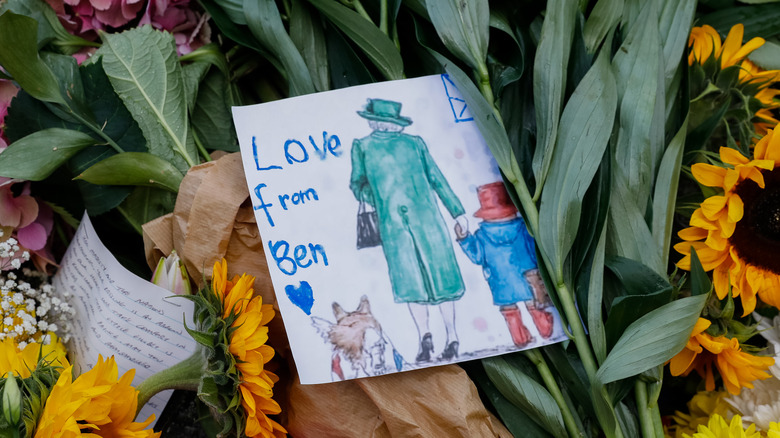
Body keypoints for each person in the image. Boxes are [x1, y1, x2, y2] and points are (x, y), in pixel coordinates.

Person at [350, 98, 468, 362]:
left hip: (394, 224)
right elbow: (437, 178)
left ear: (373, 120)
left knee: (412, 281)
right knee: (438, 280)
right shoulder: (413, 144)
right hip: (427, 221)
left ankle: (429, 336)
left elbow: (357, 185)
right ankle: (450, 338)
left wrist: (378, 198)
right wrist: (457, 212)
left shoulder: (363, 146)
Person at [455, 182, 554, 347]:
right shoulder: (524, 228)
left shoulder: (481, 235)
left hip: (500, 283)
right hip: (527, 278)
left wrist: (464, 238)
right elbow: (534, 251)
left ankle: (520, 339)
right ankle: (546, 330)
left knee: (509, 311)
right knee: (533, 304)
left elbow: (477, 257)